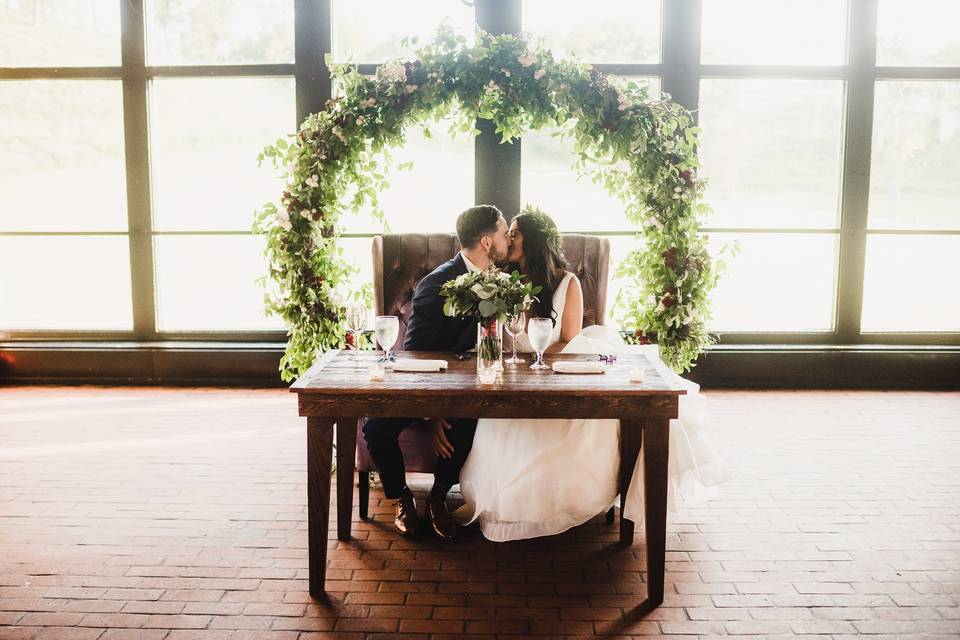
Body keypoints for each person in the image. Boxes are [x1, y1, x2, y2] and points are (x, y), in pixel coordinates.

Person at [449, 208, 731, 541]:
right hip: (515, 375)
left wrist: (532, 358)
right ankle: (502, 500)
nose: (508, 238)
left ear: (534, 241)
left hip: (557, 371)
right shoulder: (502, 279)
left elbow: (569, 341)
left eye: (515, 233)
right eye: (507, 232)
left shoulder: (567, 283)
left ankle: (562, 502)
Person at [362, 204, 510, 541]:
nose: (507, 240)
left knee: (468, 417)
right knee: (376, 426)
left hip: (472, 386)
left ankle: (439, 496)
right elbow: (415, 352)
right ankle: (402, 497)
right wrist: (430, 413)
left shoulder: (500, 281)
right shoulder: (437, 283)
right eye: (503, 233)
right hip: (421, 381)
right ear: (486, 242)